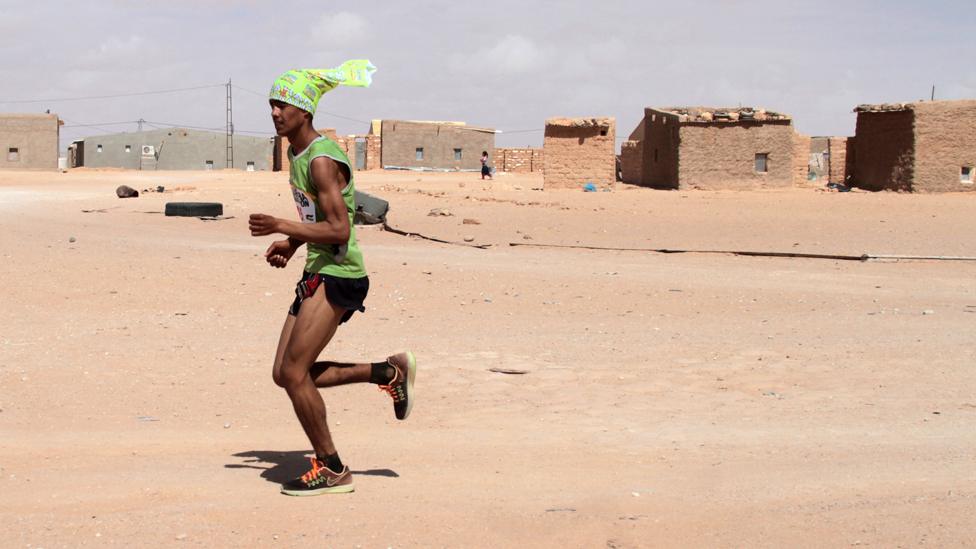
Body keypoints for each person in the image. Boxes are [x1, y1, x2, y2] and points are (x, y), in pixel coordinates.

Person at [249, 60, 417, 496]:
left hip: (340, 274)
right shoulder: (295, 152)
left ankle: (333, 467)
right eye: (271, 104)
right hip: (318, 267)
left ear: (305, 111)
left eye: (283, 105)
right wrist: (293, 244)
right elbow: (320, 219)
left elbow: (341, 230)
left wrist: (284, 227)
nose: (274, 112)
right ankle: (386, 372)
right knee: (286, 374)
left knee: (294, 372)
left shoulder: (322, 161)